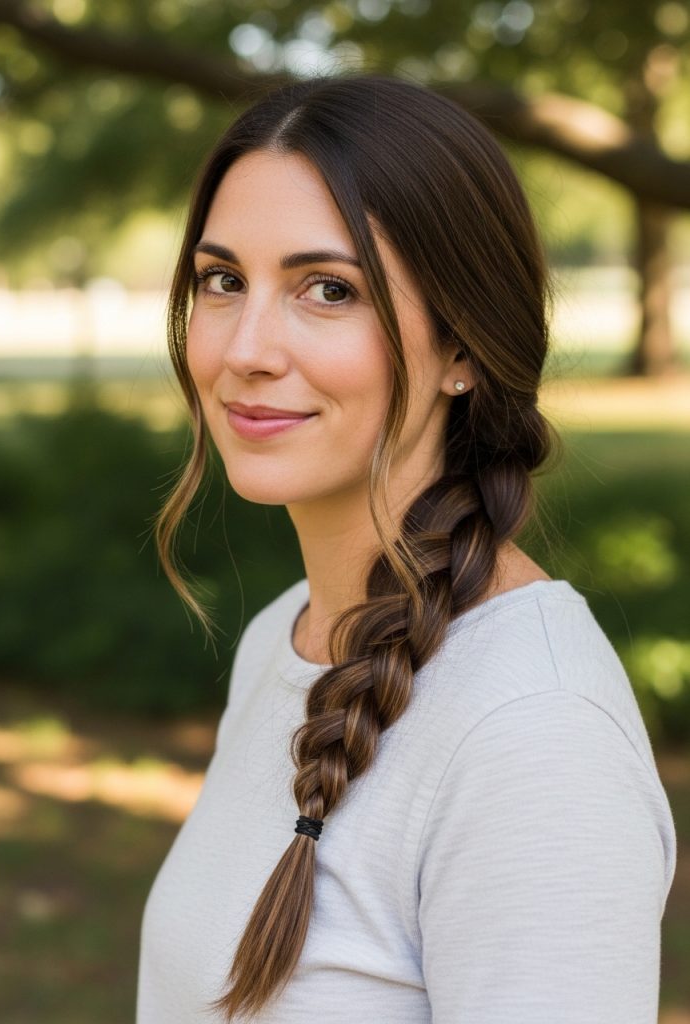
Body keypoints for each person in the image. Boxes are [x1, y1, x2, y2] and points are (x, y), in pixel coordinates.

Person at [136, 75, 677, 1023]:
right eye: (222, 281)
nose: (246, 349)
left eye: (328, 290)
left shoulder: (533, 732)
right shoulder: (283, 638)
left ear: (462, 346)